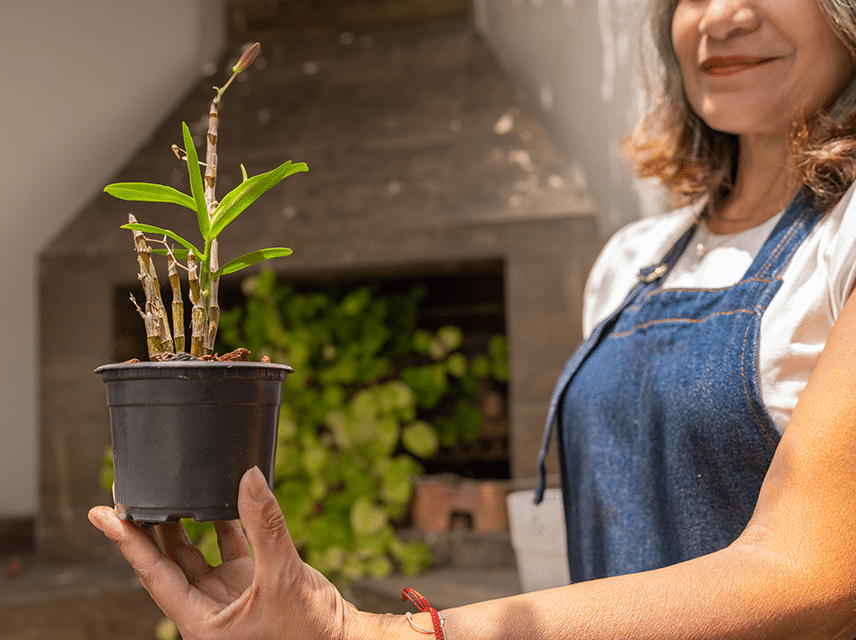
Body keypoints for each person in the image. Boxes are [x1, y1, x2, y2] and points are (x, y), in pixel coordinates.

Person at [88, 0, 856, 635]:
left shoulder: (843, 237)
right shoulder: (633, 260)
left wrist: (372, 633)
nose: (721, 16)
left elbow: (807, 567)